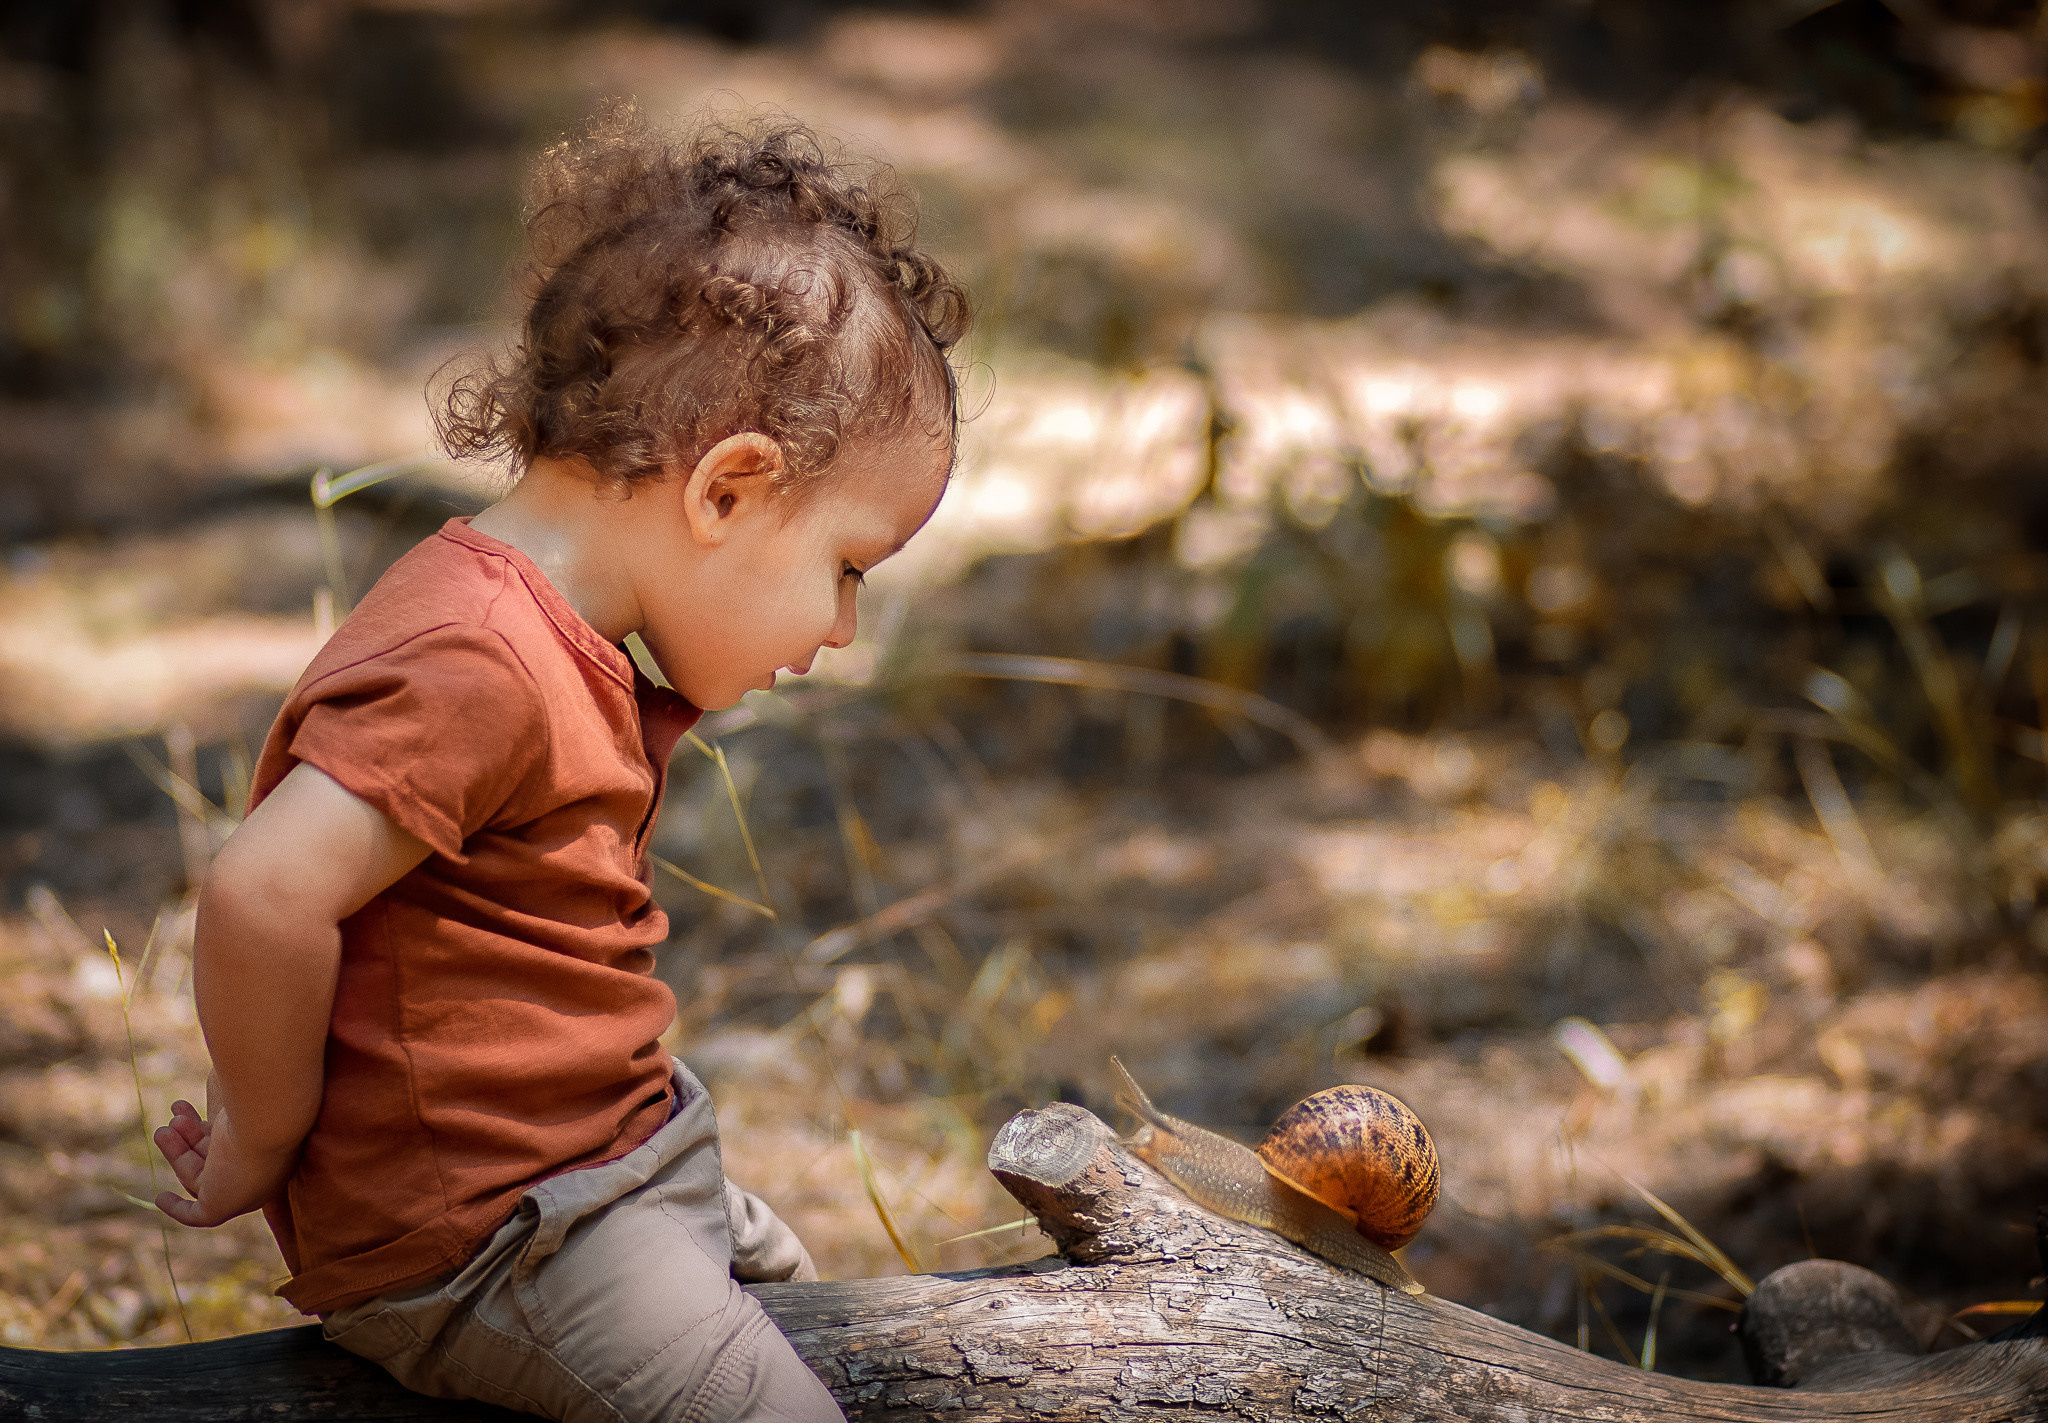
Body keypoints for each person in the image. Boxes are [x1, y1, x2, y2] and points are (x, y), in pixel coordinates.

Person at [148, 105, 969, 1423]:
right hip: (495, 1229)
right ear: (727, 490)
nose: (841, 629)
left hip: (611, 1160)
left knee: (804, 1321)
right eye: (848, 569)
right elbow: (264, 893)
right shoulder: (478, 657)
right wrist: (263, 1132)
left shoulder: (554, 636)